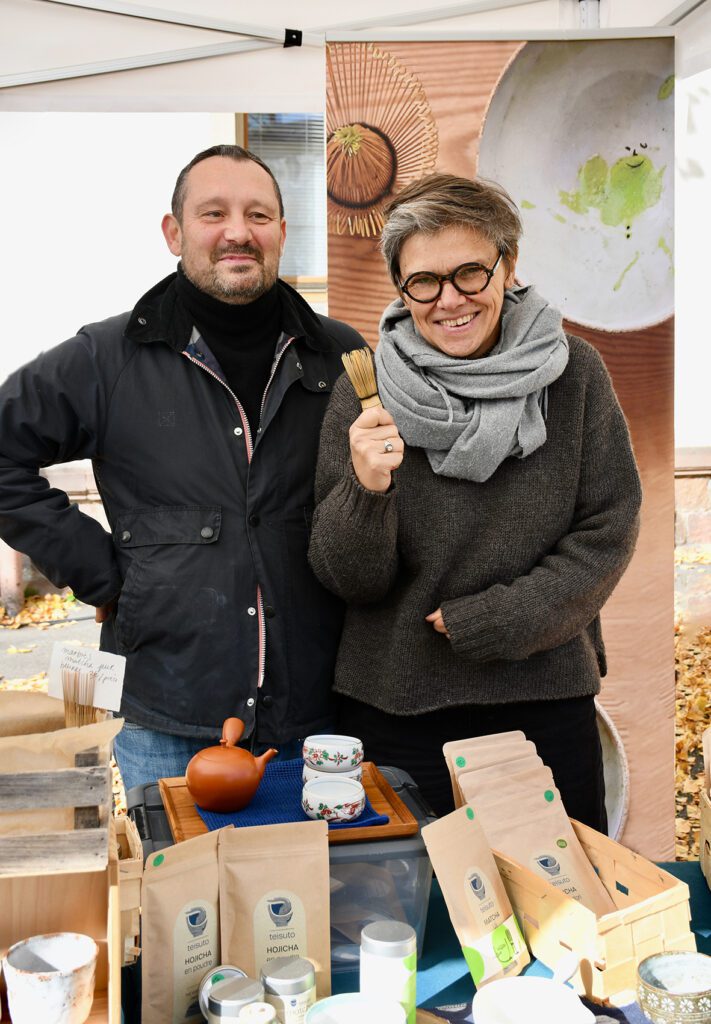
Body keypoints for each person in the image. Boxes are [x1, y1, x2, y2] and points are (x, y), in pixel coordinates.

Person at [0, 144, 365, 790]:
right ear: (174, 232)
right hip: (168, 715)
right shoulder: (106, 358)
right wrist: (106, 574)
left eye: (258, 215)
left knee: (305, 889)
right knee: (183, 891)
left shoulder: (337, 356)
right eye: (213, 213)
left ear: (282, 232)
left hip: (312, 710)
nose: (237, 233)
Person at [308, 173, 642, 828]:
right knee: (412, 917)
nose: (448, 300)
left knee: (560, 913)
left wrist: (503, 618)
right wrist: (365, 489)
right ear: (400, 287)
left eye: (469, 273)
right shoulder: (364, 389)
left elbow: (607, 528)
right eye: (423, 282)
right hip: (395, 706)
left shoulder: (572, 374)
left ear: (507, 266)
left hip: (542, 700)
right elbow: (350, 579)